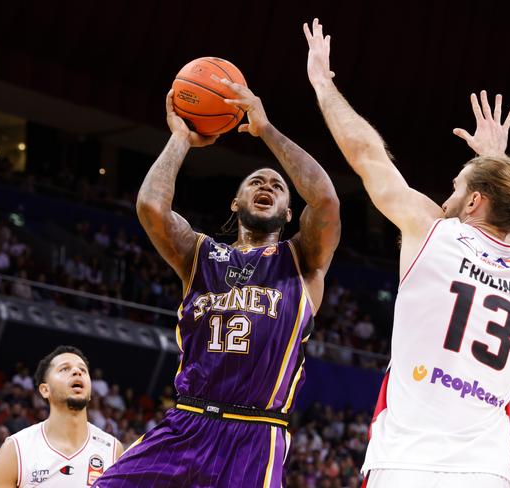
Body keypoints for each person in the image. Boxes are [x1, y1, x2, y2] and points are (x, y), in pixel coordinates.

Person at [304, 18, 510, 488]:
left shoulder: (434, 231)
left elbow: (366, 155)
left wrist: (322, 84)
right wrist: (495, 163)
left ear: (476, 201)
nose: (447, 198)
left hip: (406, 465)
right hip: (487, 473)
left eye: (458, 188)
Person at [95, 80, 340, 487]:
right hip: (185, 423)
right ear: (235, 202)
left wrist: (266, 131)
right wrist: (180, 139)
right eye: (256, 182)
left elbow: (326, 201)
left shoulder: (303, 261)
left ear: (288, 212)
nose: (267, 186)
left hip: (255, 434)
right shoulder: (200, 255)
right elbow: (151, 207)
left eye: (277, 187)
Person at [0, 346, 123, 487]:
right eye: (64, 369)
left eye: (83, 370)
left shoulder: (113, 450)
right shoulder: (15, 450)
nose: (77, 372)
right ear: (45, 390)